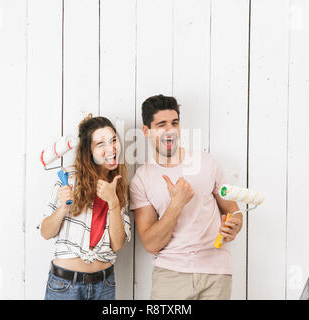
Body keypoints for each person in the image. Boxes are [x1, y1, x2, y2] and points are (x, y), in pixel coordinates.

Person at [129, 94, 243, 300]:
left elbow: (233, 211)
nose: (170, 131)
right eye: (161, 124)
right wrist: (176, 204)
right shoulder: (141, 179)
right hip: (171, 276)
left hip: (216, 274)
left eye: (174, 123)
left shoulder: (208, 163)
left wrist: (234, 225)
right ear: (147, 131)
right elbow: (151, 244)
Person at [39, 114, 131, 300]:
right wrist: (63, 208)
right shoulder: (69, 179)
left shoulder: (119, 186)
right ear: (88, 151)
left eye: (113, 140)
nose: (111, 148)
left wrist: (113, 201)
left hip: (104, 286)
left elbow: (117, 244)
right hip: (65, 286)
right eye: (100, 144)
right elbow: (46, 232)